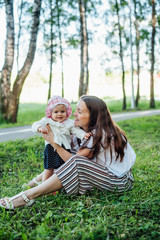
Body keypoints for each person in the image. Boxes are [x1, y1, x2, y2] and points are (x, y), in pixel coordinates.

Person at [0, 95, 136, 210]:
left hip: (119, 182)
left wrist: (54, 143)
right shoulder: (84, 133)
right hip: (102, 175)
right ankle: (37, 182)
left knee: (74, 160)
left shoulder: (100, 135)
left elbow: (73, 163)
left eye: (80, 112)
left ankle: (28, 196)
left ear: (93, 117)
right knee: (63, 159)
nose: (74, 114)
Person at [26, 95, 89, 187]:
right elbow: (34, 125)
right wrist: (40, 128)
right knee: (49, 169)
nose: (59, 114)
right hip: (51, 148)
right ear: (50, 112)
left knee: (62, 168)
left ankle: (55, 187)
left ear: (66, 112)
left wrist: (84, 135)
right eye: (56, 112)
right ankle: (44, 187)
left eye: (62, 111)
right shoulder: (47, 121)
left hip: (65, 149)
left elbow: (76, 131)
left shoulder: (69, 123)